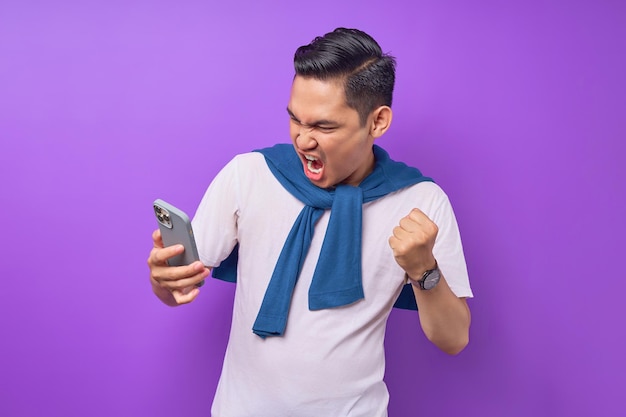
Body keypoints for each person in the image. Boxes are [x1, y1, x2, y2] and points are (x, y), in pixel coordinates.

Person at [147, 27, 473, 417]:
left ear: (378, 122)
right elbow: (179, 289)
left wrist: (424, 269)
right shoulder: (249, 175)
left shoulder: (419, 202)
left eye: (324, 126)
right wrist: (163, 281)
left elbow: (454, 339)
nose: (303, 140)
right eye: (295, 120)